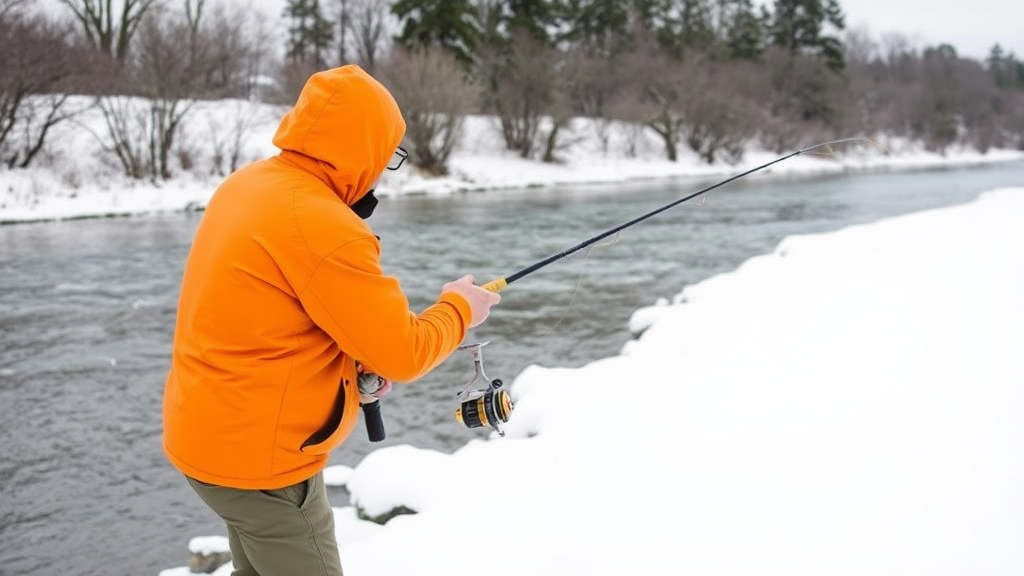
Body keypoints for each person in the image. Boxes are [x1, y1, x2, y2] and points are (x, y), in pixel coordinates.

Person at [162, 65, 500, 576]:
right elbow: (405, 353)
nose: (384, 168)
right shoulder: (324, 225)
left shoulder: (248, 186)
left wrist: (351, 365)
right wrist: (459, 308)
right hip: (264, 465)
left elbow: (266, 314)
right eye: (388, 157)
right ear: (363, 149)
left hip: (209, 438)